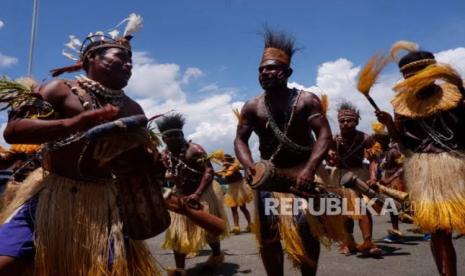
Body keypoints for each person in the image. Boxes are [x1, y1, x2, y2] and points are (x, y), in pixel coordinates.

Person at [0, 14, 166, 275]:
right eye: (120, 58)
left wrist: (153, 162)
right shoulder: (60, 89)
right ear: (92, 59)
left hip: (105, 202)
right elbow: (14, 131)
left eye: (130, 60)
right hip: (54, 195)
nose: (128, 64)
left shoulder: (133, 108)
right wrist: (74, 122)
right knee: (7, 264)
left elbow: (142, 158)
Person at [234, 28, 345, 276]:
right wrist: (248, 165)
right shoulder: (252, 107)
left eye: (271, 68)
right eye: (261, 69)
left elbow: (324, 135)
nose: (264, 73)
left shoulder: (307, 100)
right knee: (270, 239)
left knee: (306, 232)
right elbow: (240, 140)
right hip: (270, 180)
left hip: (302, 177)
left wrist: (309, 169)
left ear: (287, 72)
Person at [376, 40, 465, 276]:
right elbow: (403, 145)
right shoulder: (402, 106)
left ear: (434, 72)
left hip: (456, 165)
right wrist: (389, 126)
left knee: (445, 229)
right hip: (423, 170)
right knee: (439, 230)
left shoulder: (456, 95)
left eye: (420, 74)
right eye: (409, 76)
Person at [157, 113, 229, 275]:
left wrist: (197, 194)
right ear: (164, 139)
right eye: (170, 136)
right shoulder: (164, 156)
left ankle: (216, 255)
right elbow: (159, 179)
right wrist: (167, 195)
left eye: (178, 134)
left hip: (202, 193)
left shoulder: (195, 150)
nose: (175, 138)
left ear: (183, 135)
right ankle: (180, 270)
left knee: (209, 232)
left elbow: (209, 172)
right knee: (177, 234)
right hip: (180, 195)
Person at [326, 102, 382, 256]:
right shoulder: (334, 139)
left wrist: (372, 177)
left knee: (363, 209)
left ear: (357, 121)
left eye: (349, 120)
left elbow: (374, 160)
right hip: (340, 176)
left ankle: (368, 241)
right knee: (344, 212)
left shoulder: (365, 138)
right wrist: (331, 158)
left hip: (360, 176)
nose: (345, 123)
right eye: (342, 121)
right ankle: (348, 241)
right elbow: (327, 158)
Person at [216, 154, 253, 234]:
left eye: (225, 160)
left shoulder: (235, 165)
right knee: (233, 208)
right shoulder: (225, 169)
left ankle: (250, 224)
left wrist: (230, 164)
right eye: (223, 160)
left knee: (243, 208)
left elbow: (242, 167)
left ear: (229, 160)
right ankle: (236, 226)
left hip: (240, 188)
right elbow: (221, 175)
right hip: (231, 188)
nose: (223, 162)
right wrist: (215, 173)